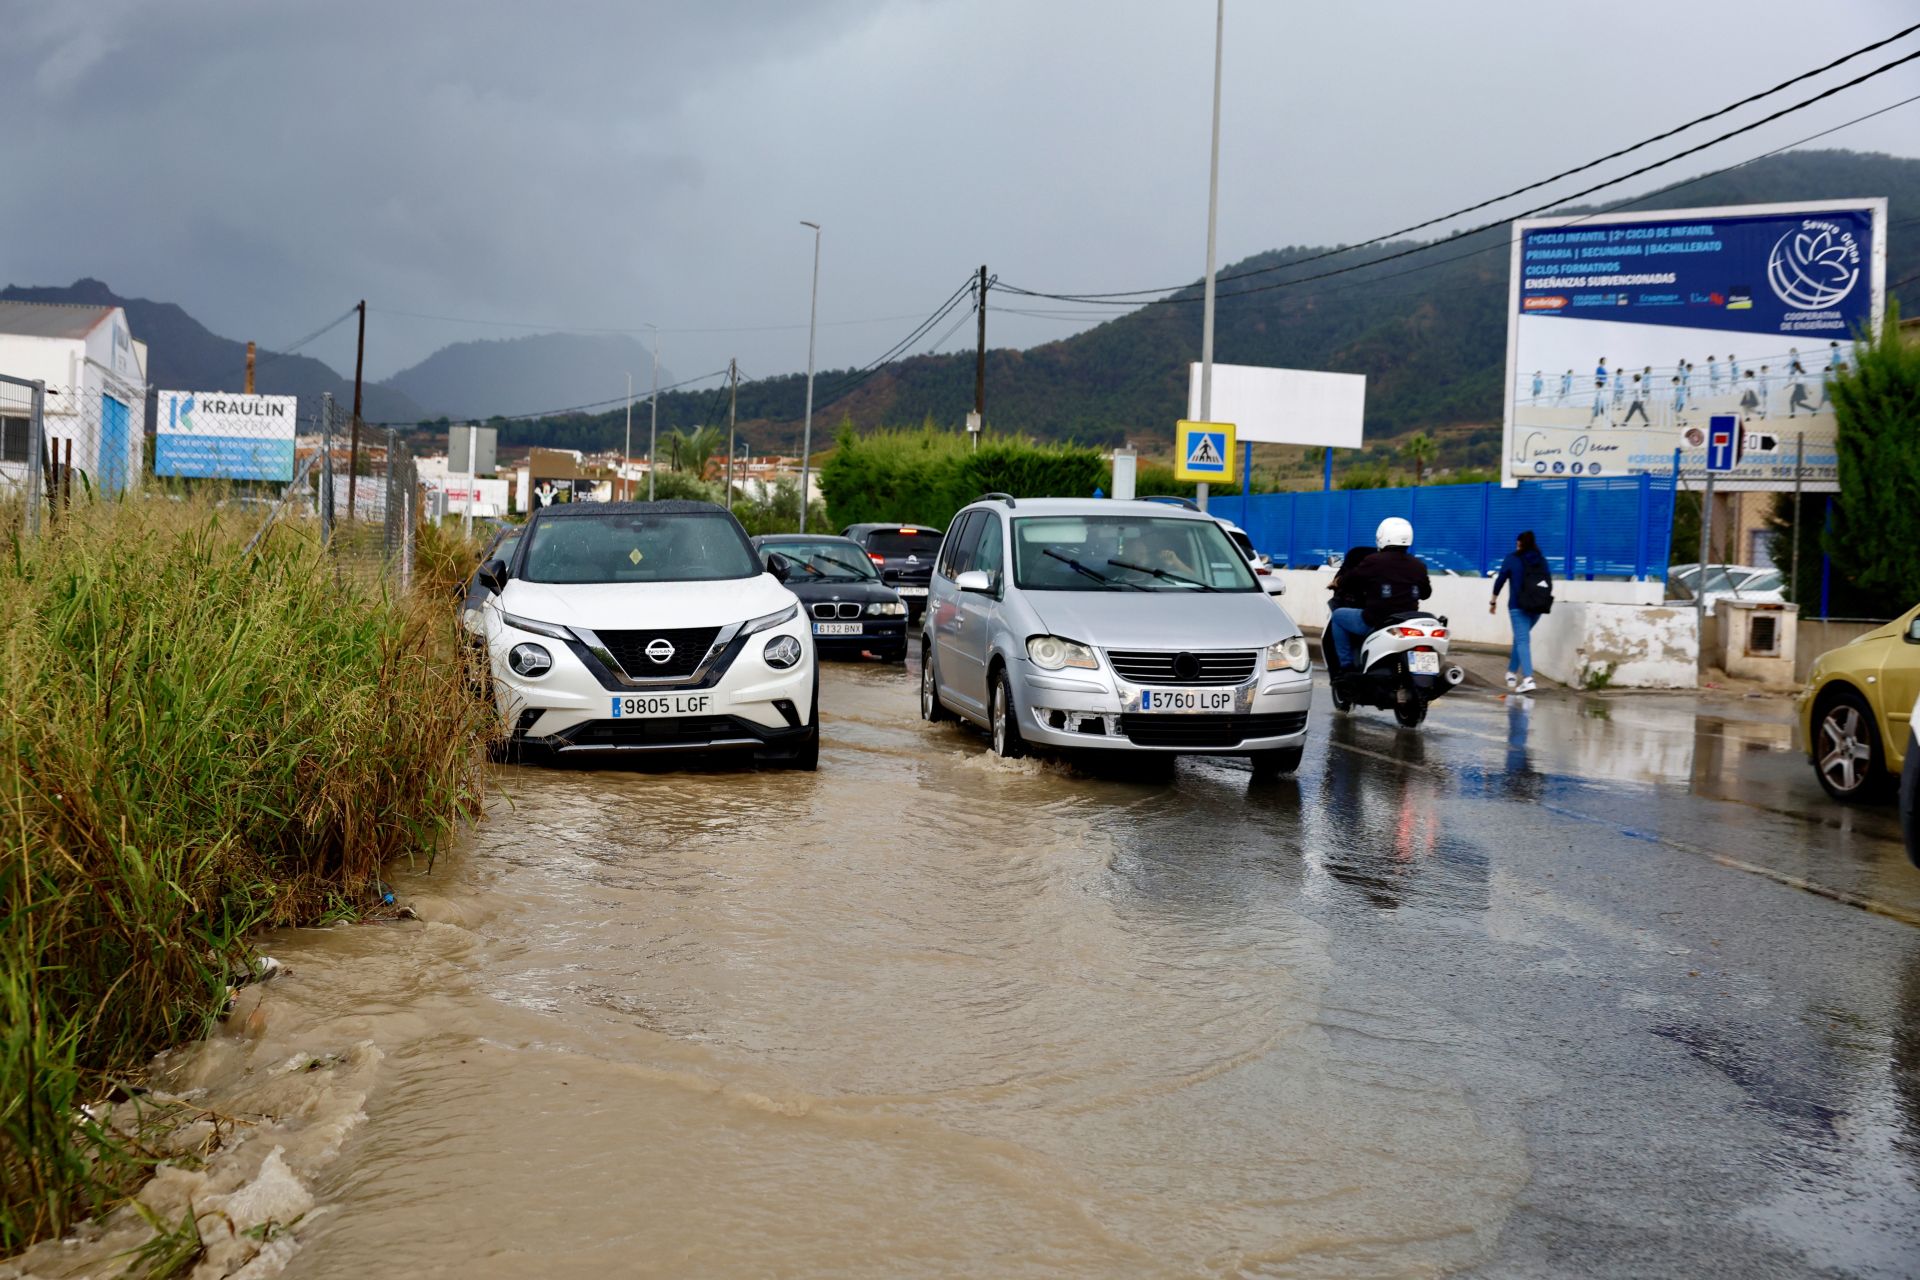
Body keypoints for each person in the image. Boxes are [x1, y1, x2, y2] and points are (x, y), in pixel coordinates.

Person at [1327, 517, 1432, 675]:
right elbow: (1426, 594)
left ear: (1383, 537)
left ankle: (1346, 667)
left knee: (1338, 616)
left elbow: (1351, 579)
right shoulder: (1418, 565)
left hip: (1376, 620)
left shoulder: (1373, 561)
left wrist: (1338, 582)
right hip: (1407, 621)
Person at [1490, 530, 1551, 693]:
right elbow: (1548, 582)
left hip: (1518, 606)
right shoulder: (1541, 559)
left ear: (1519, 543)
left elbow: (1500, 580)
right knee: (1520, 638)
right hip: (1538, 606)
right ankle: (1511, 673)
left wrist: (1493, 600)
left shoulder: (1512, 559)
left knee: (1522, 640)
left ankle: (1528, 678)